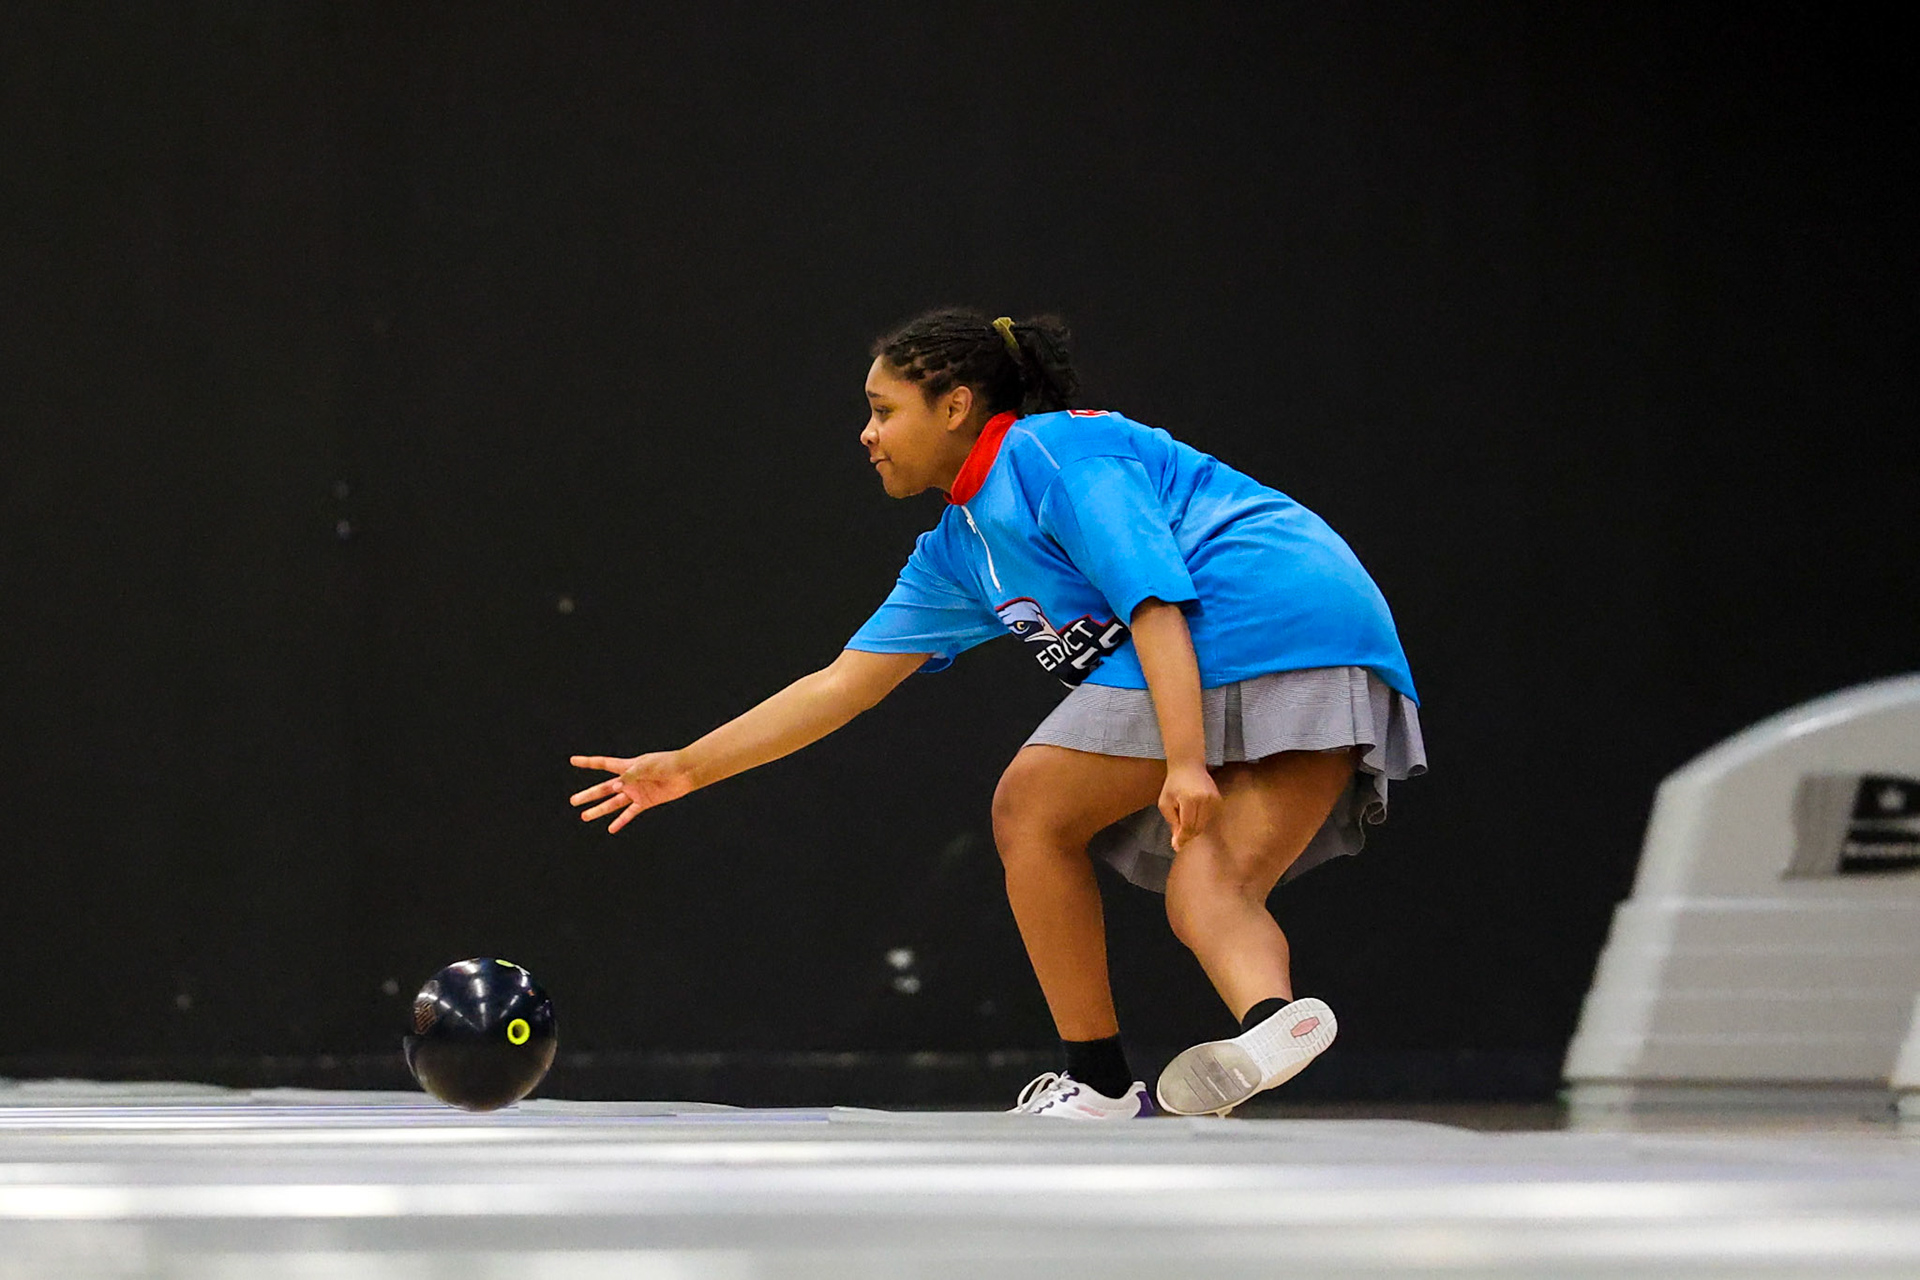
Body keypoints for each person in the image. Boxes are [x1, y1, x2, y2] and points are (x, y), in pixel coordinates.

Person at [570, 308, 1425, 1118]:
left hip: (1256, 606)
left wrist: (1185, 761)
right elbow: (842, 684)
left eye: (882, 410)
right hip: (1346, 638)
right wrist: (687, 765)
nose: (866, 434)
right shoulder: (954, 553)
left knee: (1032, 805)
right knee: (1211, 881)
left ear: (955, 406)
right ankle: (1273, 1022)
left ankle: (1096, 1083)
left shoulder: (1054, 454)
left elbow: (1158, 605)